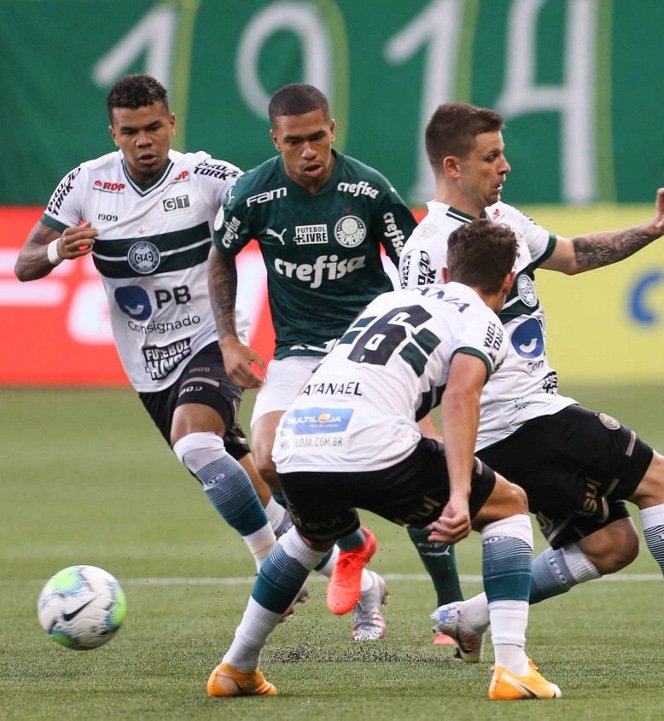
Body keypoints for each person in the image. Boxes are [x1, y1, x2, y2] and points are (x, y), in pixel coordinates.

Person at [400, 103, 664, 665]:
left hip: (529, 415)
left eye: (503, 153)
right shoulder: (429, 246)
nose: (505, 165)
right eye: (491, 156)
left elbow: (573, 255)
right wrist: (433, 439)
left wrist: (652, 230)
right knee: (661, 478)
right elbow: (419, 350)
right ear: (452, 166)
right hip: (512, 420)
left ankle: (470, 616)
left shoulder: (502, 219)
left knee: (611, 545)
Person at [207, 220, 561, 700]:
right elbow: (461, 396)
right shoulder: (483, 320)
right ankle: (513, 668)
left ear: (445, 271)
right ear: (508, 282)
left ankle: (237, 666)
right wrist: (459, 495)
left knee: (312, 536)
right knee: (510, 505)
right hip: (370, 441)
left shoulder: (387, 302)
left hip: (299, 436)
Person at [12, 74, 292, 572]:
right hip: (149, 364)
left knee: (195, 442)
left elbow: (272, 203)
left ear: (171, 124)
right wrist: (57, 250)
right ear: (113, 134)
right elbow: (24, 264)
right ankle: (358, 574)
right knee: (247, 488)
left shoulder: (205, 176)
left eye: (153, 128)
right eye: (130, 132)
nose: (144, 141)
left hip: (212, 337)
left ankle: (270, 564)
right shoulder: (85, 184)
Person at [208, 84, 422, 638]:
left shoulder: (369, 189)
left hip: (368, 349)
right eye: (294, 141)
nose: (308, 151)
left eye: (317, 137)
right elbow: (221, 257)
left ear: (332, 130)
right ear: (275, 140)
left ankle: (449, 611)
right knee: (267, 458)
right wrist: (228, 339)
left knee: (412, 463)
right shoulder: (252, 194)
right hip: (299, 350)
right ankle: (352, 543)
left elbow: (416, 267)